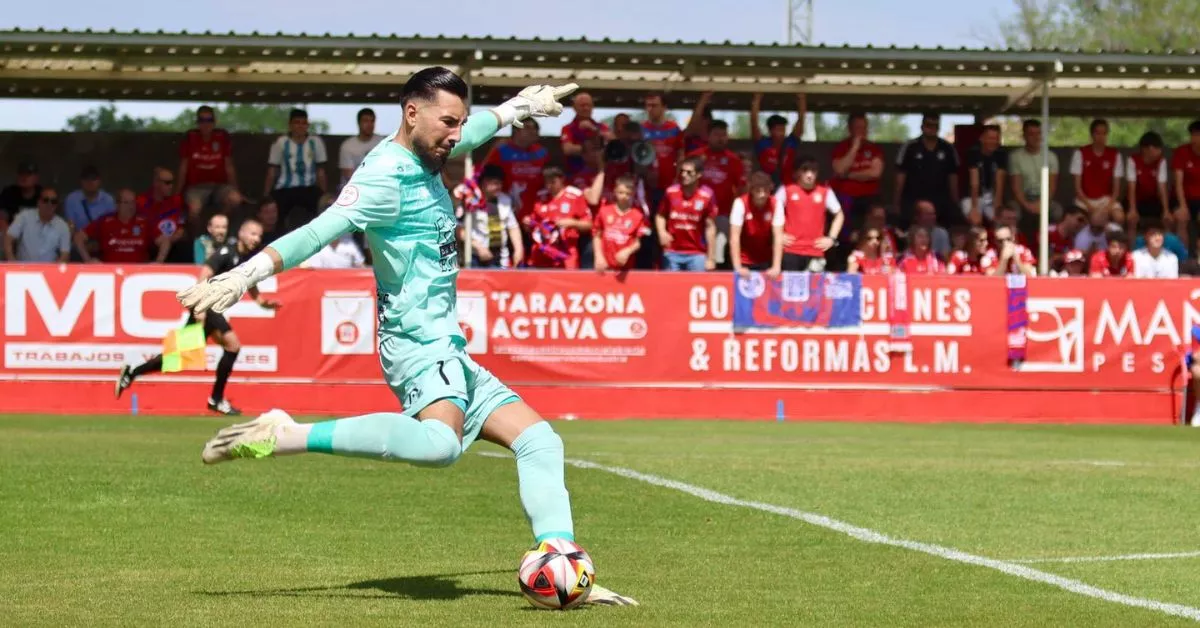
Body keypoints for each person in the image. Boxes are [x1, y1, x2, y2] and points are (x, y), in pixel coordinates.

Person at [169, 67, 634, 607]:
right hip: (414, 341)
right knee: (441, 447)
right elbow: (318, 232)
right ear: (411, 113)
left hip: (448, 345)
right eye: (447, 122)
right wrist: (247, 273)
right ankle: (287, 433)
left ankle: (563, 563)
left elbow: (479, 128)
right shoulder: (384, 176)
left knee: (539, 441)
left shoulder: (433, 148)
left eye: (459, 123)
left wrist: (518, 108)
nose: (456, 135)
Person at [116, 219, 278, 415]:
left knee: (179, 355)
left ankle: (132, 371)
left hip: (210, 307)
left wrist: (261, 301)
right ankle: (216, 399)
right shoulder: (227, 252)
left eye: (259, 235)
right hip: (207, 306)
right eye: (252, 233)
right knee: (232, 346)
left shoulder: (246, 258)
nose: (256, 238)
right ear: (242, 233)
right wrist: (199, 306)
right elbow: (205, 273)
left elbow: (249, 281)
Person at [772, 156, 844, 274]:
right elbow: (771, 212)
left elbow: (839, 215)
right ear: (796, 173)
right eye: (805, 170)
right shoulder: (786, 190)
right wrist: (779, 235)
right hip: (791, 250)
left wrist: (831, 238)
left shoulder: (825, 191)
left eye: (813, 171)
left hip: (815, 251)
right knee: (791, 290)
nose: (809, 175)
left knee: (815, 290)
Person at [592, 175, 647, 274]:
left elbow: (638, 242)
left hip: (625, 267)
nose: (624, 196)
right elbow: (597, 236)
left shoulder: (637, 215)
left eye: (628, 194)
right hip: (604, 264)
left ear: (633, 194)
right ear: (615, 191)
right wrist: (598, 257)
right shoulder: (604, 211)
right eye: (621, 192)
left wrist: (627, 251)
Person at [729, 172, 780, 276]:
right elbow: (734, 237)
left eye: (766, 191)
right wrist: (738, 267)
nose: (762, 195)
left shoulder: (776, 204)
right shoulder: (740, 203)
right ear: (751, 190)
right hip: (744, 259)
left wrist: (776, 266)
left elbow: (778, 236)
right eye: (758, 191)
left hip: (765, 258)